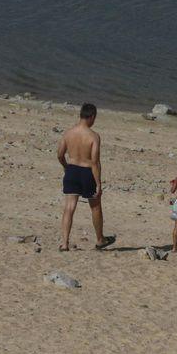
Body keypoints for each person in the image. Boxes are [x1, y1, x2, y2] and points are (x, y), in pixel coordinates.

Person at [56, 103, 114, 251]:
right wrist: (99, 183)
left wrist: (65, 167)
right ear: (92, 116)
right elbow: (95, 162)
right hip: (87, 172)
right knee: (95, 207)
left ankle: (64, 243)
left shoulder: (68, 133)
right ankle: (100, 239)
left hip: (72, 170)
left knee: (69, 207)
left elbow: (60, 154)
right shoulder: (93, 136)